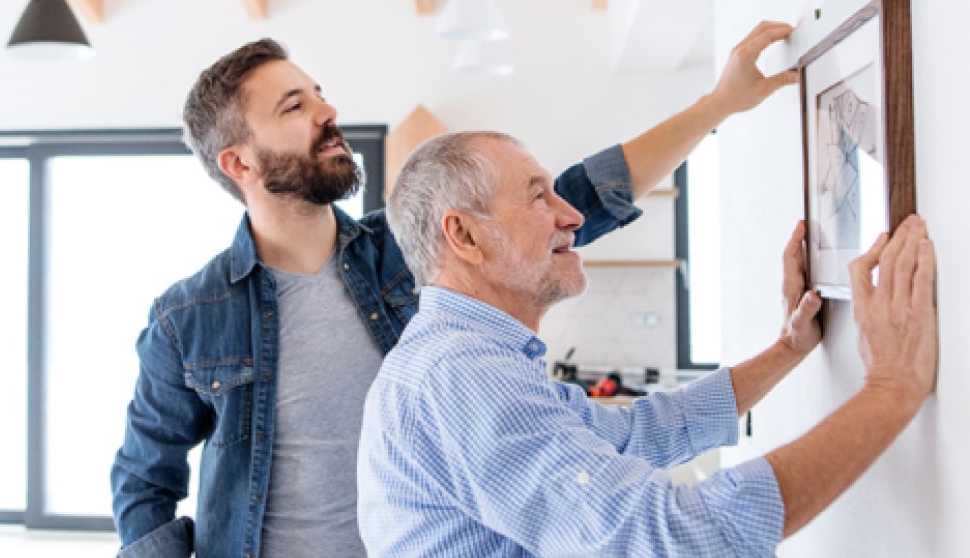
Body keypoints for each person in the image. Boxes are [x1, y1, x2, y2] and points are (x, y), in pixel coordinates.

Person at [111, 21, 799, 558]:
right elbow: (144, 482)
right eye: (296, 105)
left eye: (320, 93)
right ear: (239, 162)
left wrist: (719, 105)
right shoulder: (187, 320)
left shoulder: (401, 253)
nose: (327, 111)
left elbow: (582, 197)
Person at [356, 128, 937, 556]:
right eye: (539, 197)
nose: (572, 217)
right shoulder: (462, 375)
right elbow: (669, 537)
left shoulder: (467, 359)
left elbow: (637, 435)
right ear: (464, 234)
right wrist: (892, 388)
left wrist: (788, 348)